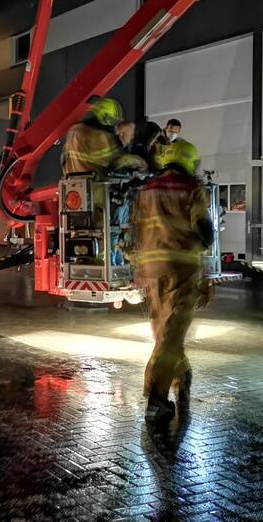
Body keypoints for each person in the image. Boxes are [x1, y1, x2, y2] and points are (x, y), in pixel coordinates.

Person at [132, 139, 214, 428]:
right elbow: (203, 228)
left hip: (151, 270)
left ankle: (182, 375)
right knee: (171, 334)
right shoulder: (192, 188)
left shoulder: (146, 190)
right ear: (188, 161)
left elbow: (136, 229)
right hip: (181, 268)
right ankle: (155, 399)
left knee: (163, 331)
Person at [61, 97, 125, 176]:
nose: (113, 125)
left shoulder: (74, 129)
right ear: (103, 116)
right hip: (91, 182)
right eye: (111, 120)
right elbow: (112, 164)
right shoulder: (98, 135)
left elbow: (63, 159)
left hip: (70, 180)